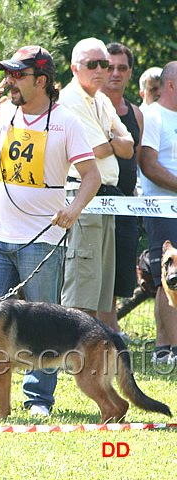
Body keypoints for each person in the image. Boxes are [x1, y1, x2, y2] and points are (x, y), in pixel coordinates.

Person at [0, 46, 101, 417]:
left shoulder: (66, 122)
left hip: (42, 241)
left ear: (41, 80)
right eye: (8, 74)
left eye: (17, 75)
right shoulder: (0, 114)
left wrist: (74, 209)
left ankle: (39, 401)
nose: (9, 81)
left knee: (44, 325)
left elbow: (91, 176)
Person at [59, 38, 134, 318]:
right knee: (80, 286)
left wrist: (109, 138)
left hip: (106, 198)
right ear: (75, 68)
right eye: (93, 64)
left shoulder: (101, 99)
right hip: (81, 196)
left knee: (100, 288)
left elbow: (128, 148)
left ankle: (88, 353)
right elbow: (94, 151)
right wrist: (112, 139)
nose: (101, 70)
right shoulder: (68, 99)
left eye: (104, 63)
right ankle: (70, 353)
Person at [96, 42, 144, 337]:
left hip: (127, 200)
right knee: (96, 266)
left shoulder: (136, 114)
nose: (115, 73)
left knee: (120, 266)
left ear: (129, 73)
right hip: (96, 196)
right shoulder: (90, 106)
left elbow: (135, 159)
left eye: (122, 68)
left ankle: (110, 324)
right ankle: (98, 326)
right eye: (109, 66)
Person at [137, 61, 177, 365]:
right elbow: (148, 166)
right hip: (162, 209)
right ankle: (169, 348)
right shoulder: (152, 116)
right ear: (172, 85)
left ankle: (165, 348)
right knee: (170, 278)